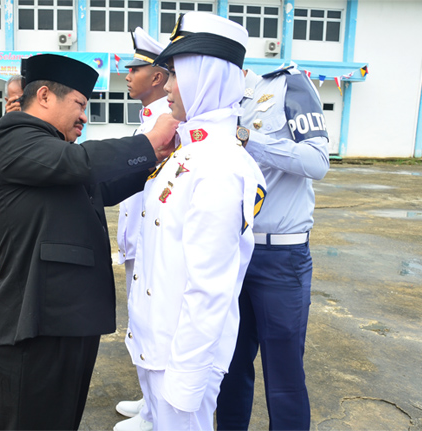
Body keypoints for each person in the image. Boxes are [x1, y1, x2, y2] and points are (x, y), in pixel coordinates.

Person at [0, 53, 179, 430]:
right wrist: (147, 143)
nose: (84, 116)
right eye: (80, 104)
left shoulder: (54, 151)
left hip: (67, 320)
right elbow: (81, 163)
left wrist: (158, 160)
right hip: (32, 325)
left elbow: (99, 184)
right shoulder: (11, 135)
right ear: (44, 96)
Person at [124, 12, 266, 431]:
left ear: (206, 77)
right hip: (157, 348)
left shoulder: (220, 165)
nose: (165, 86)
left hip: (181, 362)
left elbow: (210, 288)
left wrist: (185, 382)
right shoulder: (187, 150)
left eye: (175, 75)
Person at [215, 65, 330, 430]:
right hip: (234, 251)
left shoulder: (287, 84)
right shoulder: (219, 102)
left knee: (283, 372)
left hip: (281, 257)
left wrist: (249, 139)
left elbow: (317, 162)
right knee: (229, 366)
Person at [114, 26, 169, 431]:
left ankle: (155, 414)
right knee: (140, 326)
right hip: (138, 241)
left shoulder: (168, 122)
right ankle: (148, 402)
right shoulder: (148, 119)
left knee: (152, 328)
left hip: (153, 243)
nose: (126, 76)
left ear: (157, 76)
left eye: (134, 68)